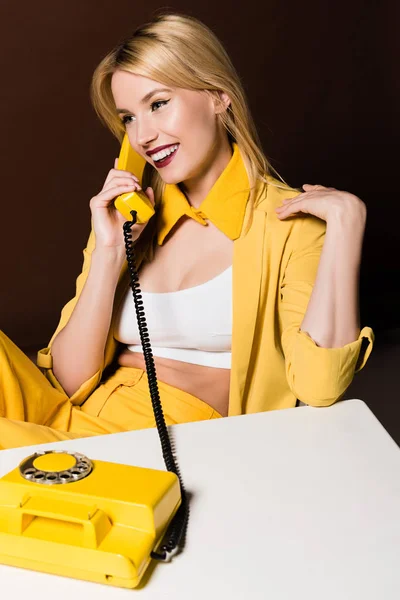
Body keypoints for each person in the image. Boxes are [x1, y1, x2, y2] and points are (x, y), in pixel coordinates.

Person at [0, 12, 374, 450]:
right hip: (70, 414)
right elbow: (66, 381)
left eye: (158, 104)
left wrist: (347, 226)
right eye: (129, 118)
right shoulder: (127, 218)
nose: (144, 136)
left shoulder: (291, 224)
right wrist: (108, 253)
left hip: (160, 438)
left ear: (218, 97)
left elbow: (320, 385)